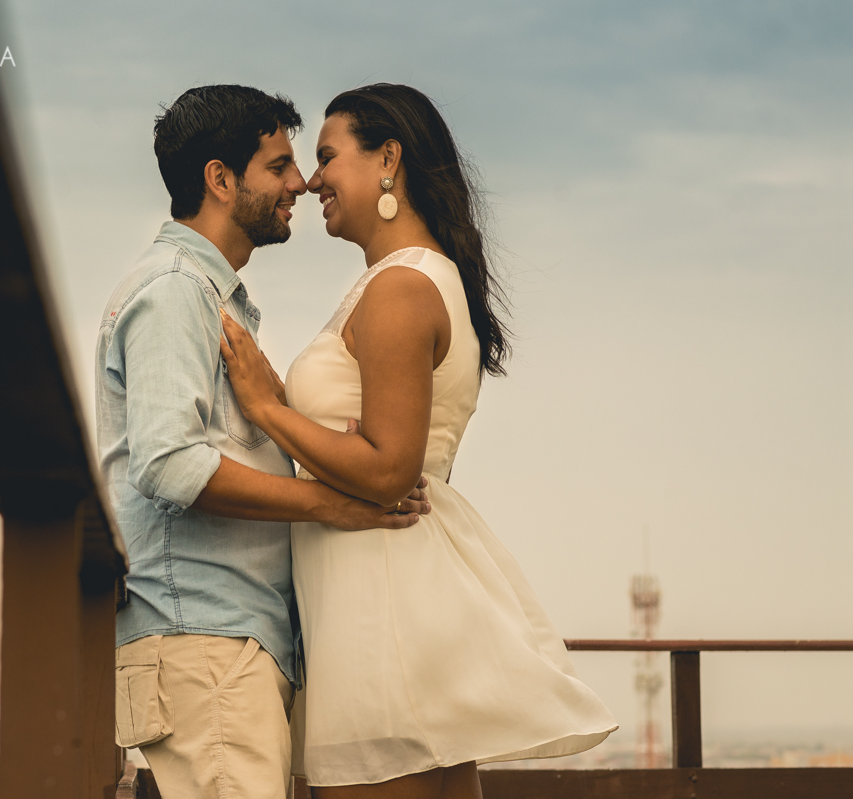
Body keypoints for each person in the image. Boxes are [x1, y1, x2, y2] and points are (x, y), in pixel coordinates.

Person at [219, 83, 617, 799]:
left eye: (328, 157)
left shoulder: (401, 289)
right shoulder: (401, 281)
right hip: (390, 593)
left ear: (388, 160)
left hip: (381, 607)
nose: (311, 180)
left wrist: (266, 408)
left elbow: (389, 469)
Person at [96, 84, 431, 799]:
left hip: (227, 643)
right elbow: (169, 464)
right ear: (220, 179)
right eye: (278, 167)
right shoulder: (175, 290)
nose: (300, 184)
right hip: (202, 641)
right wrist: (331, 506)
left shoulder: (209, 295)